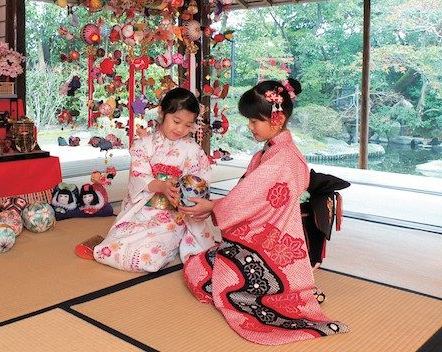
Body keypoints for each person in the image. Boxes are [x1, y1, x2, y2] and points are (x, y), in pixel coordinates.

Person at [180, 79, 348, 345]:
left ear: (276, 119)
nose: (249, 126)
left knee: (205, 277)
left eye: (254, 121)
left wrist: (213, 206)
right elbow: (249, 193)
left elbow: (249, 198)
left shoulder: (283, 158)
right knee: (199, 267)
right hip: (263, 233)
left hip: (269, 242)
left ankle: (286, 291)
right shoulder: (273, 150)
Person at [90, 87, 215, 272]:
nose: (180, 129)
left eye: (188, 125)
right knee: (110, 247)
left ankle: (166, 247)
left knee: (148, 255)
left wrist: (184, 194)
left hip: (174, 213)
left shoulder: (193, 149)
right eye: (176, 121)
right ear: (162, 113)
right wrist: (162, 186)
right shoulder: (144, 145)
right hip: (143, 207)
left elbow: (200, 180)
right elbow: (139, 177)